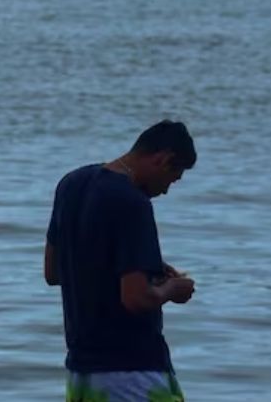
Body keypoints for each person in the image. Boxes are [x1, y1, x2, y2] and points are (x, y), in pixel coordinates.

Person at [44, 120, 197, 402]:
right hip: (131, 370)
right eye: (172, 179)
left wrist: (142, 267)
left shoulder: (71, 184)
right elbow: (136, 299)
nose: (165, 191)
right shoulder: (133, 202)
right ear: (163, 160)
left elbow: (54, 271)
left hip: (82, 372)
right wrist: (174, 290)